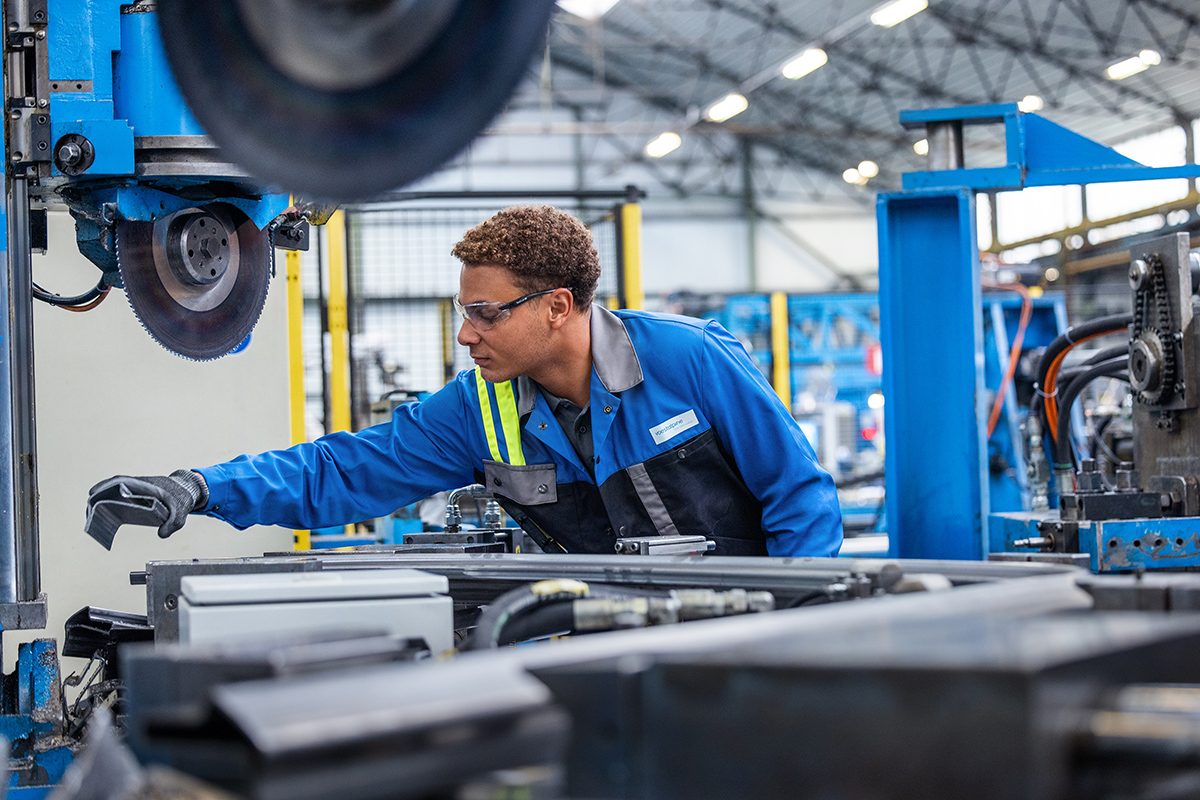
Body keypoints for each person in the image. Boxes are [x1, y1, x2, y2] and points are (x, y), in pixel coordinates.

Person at [86, 205, 843, 556]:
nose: (465, 334)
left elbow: (798, 495)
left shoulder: (689, 360)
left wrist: (795, 632)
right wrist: (201, 486)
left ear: (556, 307)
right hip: (607, 654)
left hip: (741, 638)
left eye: (485, 313)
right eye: (462, 312)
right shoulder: (479, 408)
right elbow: (340, 470)